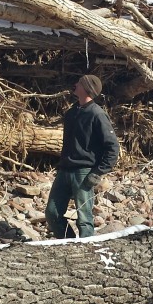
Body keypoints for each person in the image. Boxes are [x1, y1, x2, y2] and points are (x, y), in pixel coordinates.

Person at [45, 74, 120, 239]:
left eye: (79, 83)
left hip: (84, 172)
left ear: (87, 88)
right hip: (64, 170)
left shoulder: (97, 114)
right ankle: (68, 244)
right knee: (52, 213)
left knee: (84, 219)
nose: (75, 84)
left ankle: (88, 251)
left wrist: (98, 172)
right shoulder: (71, 113)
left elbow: (113, 147)